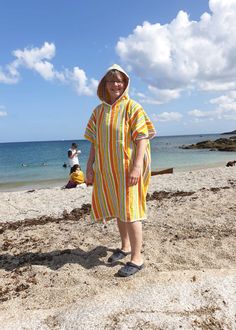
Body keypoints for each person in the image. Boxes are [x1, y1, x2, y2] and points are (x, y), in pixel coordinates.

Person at [84, 64, 156, 277]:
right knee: (118, 208)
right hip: (107, 170)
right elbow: (94, 142)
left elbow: (142, 138)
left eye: (120, 80)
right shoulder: (98, 112)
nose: (116, 84)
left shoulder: (133, 107)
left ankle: (137, 258)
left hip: (128, 169)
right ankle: (124, 247)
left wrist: (137, 166)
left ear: (125, 84)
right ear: (104, 85)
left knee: (131, 211)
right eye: (111, 80)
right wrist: (89, 168)